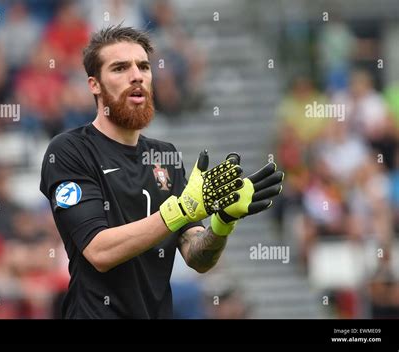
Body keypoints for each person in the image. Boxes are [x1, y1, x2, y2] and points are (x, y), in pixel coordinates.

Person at [40, 25, 284, 319]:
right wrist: (181, 210)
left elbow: (198, 257)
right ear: (95, 85)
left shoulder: (165, 155)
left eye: (143, 66)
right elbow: (99, 252)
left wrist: (222, 223)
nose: (136, 76)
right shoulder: (69, 150)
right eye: (120, 68)